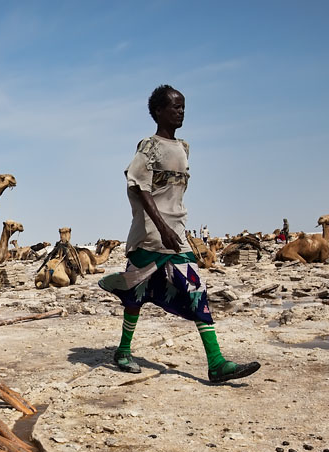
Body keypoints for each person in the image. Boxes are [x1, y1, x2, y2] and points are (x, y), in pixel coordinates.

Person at [98, 85, 260, 384]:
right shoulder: (149, 146)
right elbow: (138, 187)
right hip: (150, 236)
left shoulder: (184, 148)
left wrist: (175, 229)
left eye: (183, 106)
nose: (181, 111)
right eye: (175, 106)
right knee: (135, 296)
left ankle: (216, 363)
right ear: (158, 111)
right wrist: (161, 227)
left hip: (177, 236)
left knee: (196, 290)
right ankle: (122, 351)